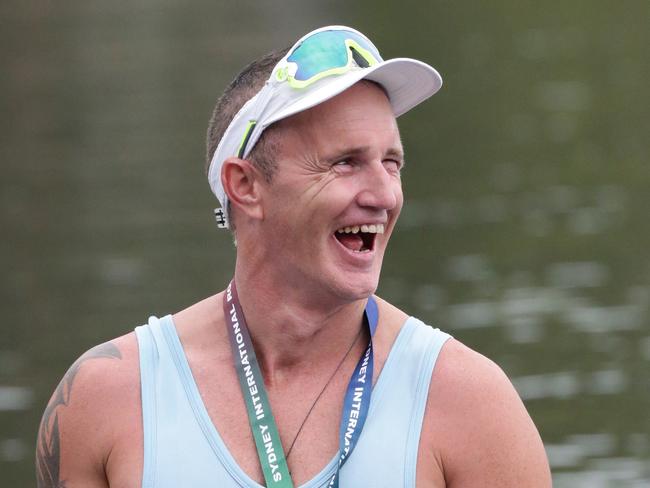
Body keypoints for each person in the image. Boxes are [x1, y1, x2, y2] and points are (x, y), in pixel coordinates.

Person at [36, 26, 551, 487]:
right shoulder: (105, 400)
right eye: (345, 163)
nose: (384, 195)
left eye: (391, 162)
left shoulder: (469, 403)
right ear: (246, 186)